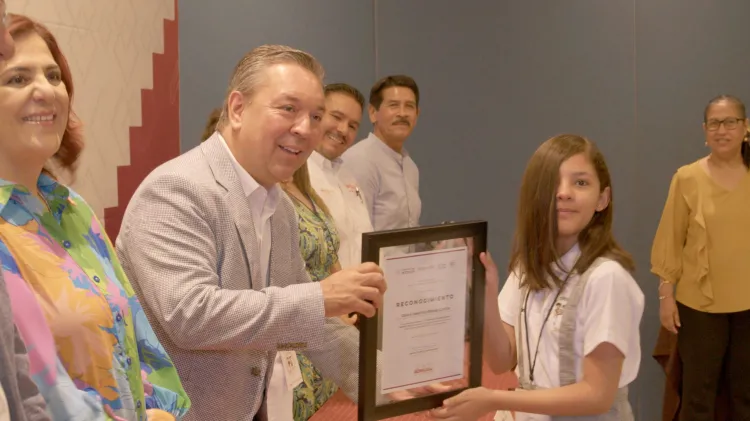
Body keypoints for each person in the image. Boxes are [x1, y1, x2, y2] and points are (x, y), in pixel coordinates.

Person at [115, 44, 388, 421]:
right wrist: (320, 297)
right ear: (238, 108)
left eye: (315, 116)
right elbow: (190, 316)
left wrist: (390, 383)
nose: (305, 129)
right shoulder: (176, 189)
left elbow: (318, 326)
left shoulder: (279, 210)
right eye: (289, 109)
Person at [0, 14, 190, 421]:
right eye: (17, 79)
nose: (46, 91)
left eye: (54, 76)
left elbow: (131, 332)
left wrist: (159, 410)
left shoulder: (71, 206)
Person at [431, 134, 645, 421]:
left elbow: (598, 395)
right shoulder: (528, 266)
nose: (564, 193)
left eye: (580, 182)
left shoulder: (606, 278)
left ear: (602, 199)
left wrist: (493, 399)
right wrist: (485, 291)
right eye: (551, 184)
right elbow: (501, 360)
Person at [651, 94, 750, 421]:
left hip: (748, 306)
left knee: (745, 394)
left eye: (731, 122)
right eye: (714, 123)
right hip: (699, 307)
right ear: (704, 130)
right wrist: (666, 295)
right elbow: (670, 239)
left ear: (745, 127)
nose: (722, 130)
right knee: (698, 395)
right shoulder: (687, 178)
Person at [280, 163, 344, 420]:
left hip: (328, 336)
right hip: (294, 349)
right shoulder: (270, 198)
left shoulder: (306, 190)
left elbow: (330, 258)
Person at [341, 75, 421, 232]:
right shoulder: (359, 161)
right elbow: (356, 236)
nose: (403, 113)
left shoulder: (410, 167)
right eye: (394, 105)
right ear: (372, 113)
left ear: (417, 114)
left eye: (409, 106)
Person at [308, 83, 373, 269]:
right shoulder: (294, 176)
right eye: (337, 117)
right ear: (316, 115)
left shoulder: (348, 176)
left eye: (353, 126)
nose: (343, 130)